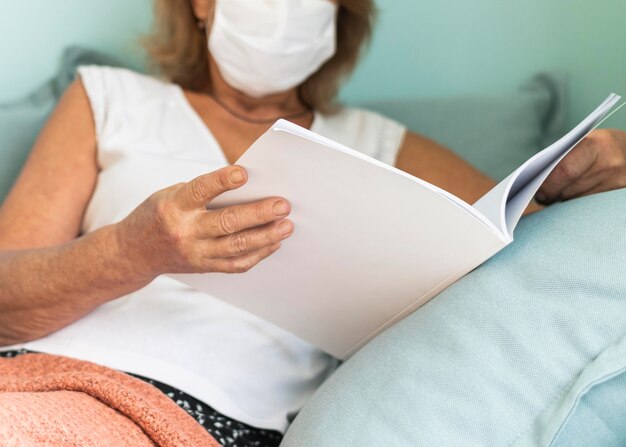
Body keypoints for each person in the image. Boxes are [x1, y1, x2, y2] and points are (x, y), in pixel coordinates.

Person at [1, 0, 625, 445]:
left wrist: (600, 174)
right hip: (38, 377)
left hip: (211, 418)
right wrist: (131, 251)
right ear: (198, 5)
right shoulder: (106, 99)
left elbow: (526, 237)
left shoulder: (384, 146)